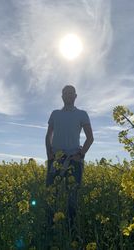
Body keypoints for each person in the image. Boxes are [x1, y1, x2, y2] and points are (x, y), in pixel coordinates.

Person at [45, 84, 94, 234]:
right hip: (56, 160)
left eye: (71, 93)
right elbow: (48, 136)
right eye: (66, 93)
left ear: (75, 96)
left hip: (74, 160)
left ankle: (71, 233)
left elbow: (90, 138)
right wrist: (50, 155)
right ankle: (50, 230)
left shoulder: (82, 114)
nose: (68, 95)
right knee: (51, 196)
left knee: (72, 200)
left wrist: (80, 154)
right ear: (62, 96)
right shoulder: (54, 114)